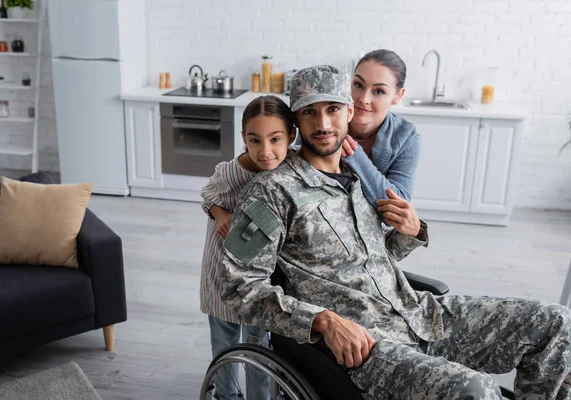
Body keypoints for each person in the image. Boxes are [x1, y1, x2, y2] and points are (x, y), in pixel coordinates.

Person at [220, 65, 571, 400]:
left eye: (333, 109)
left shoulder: (356, 178)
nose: (323, 123)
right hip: (366, 347)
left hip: (418, 315)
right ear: (295, 122)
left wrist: (410, 231)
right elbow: (235, 288)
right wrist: (321, 321)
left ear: (350, 112)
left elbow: (366, 261)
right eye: (310, 112)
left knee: (558, 324)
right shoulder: (272, 191)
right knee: (475, 390)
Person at [200, 95, 296, 400]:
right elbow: (208, 193)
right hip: (223, 268)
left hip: (265, 278)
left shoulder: (294, 166)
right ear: (244, 139)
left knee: (260, 343)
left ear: (291, 136)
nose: (265, 151)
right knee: (226, 342)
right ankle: (226, 396)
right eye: (255, 140)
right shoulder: (232, 171)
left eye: (275, 139)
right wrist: (220, 215)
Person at [341, 49, 419, 209]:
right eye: (358, 85)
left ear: (398, 96)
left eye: (379, 91)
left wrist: (354, 154)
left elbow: (398, 204)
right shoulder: (325, 120)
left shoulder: (405, 137)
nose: (364, 99)